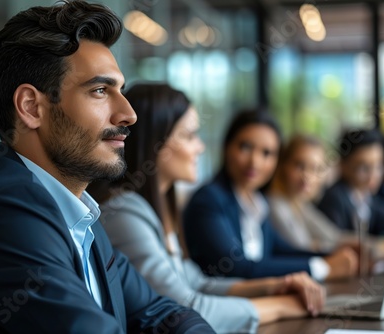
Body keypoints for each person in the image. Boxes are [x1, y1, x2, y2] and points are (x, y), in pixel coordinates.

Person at [0, 2, 215, 333]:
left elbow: (163, 314)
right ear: (31, 107)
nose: (129, 114)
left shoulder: (77, 213)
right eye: (100, 90)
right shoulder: (4, 212)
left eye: (121, 90)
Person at [91, 84, 325, 334]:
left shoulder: (157, 211)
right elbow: (184, 307)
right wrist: (280, 306)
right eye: (189, 136)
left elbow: (198, 283)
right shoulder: (125, 212)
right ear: (155, 142)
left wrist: (275, 286)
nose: (200, 148)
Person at [183, 111, 358, 282]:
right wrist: (322, 267)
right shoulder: (208, 200)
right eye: (245, 147)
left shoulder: (258, 201)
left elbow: (280, 250)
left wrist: (332, 256)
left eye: (267, 153)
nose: (255, 162)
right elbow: (237, 267)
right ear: (227, 147)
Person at [267, 134, 358, 252]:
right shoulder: (275, 204)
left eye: (316, 169)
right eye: (299, 166)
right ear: (283, 165)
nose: (307, 176)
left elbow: (333, 236)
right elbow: (303, 249)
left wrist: (376, 245)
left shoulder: (299, 204)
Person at [317, 129, 384, 236]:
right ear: (343, 166)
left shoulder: (366, 197)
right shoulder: (335, 200)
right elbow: (335, 241)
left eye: (378, 166)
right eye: (364, 168)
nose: (373, 175)